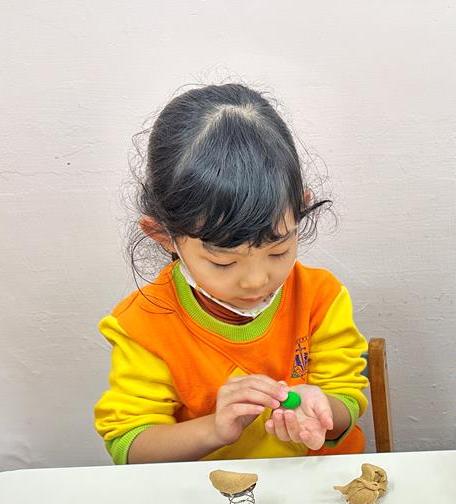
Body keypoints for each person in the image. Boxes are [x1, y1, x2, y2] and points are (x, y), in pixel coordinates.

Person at [94, 84, 368, 464]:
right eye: (223, 262)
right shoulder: (145, 325)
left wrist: (324, 410)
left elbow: (346, 400)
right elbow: (129, 445)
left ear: (299, 209)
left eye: (278, 250)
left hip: (317, 481)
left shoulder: (320, 298)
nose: (256, 281)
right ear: (163, 235)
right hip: (209, 493)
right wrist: (214, 429)